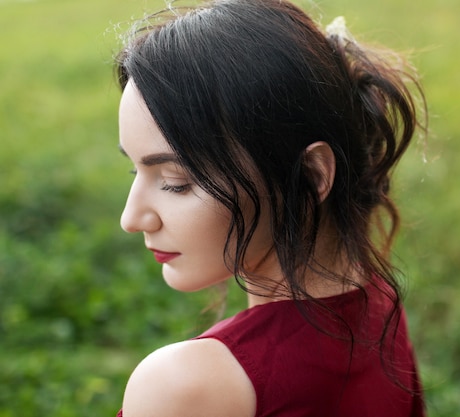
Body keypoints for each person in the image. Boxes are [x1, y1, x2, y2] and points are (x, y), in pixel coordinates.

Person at [114, 0, 427, 415]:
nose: (131, 219)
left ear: (312, 175)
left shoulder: (186, 386)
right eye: (134, 171)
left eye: (176, 182)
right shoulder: (378, 303)